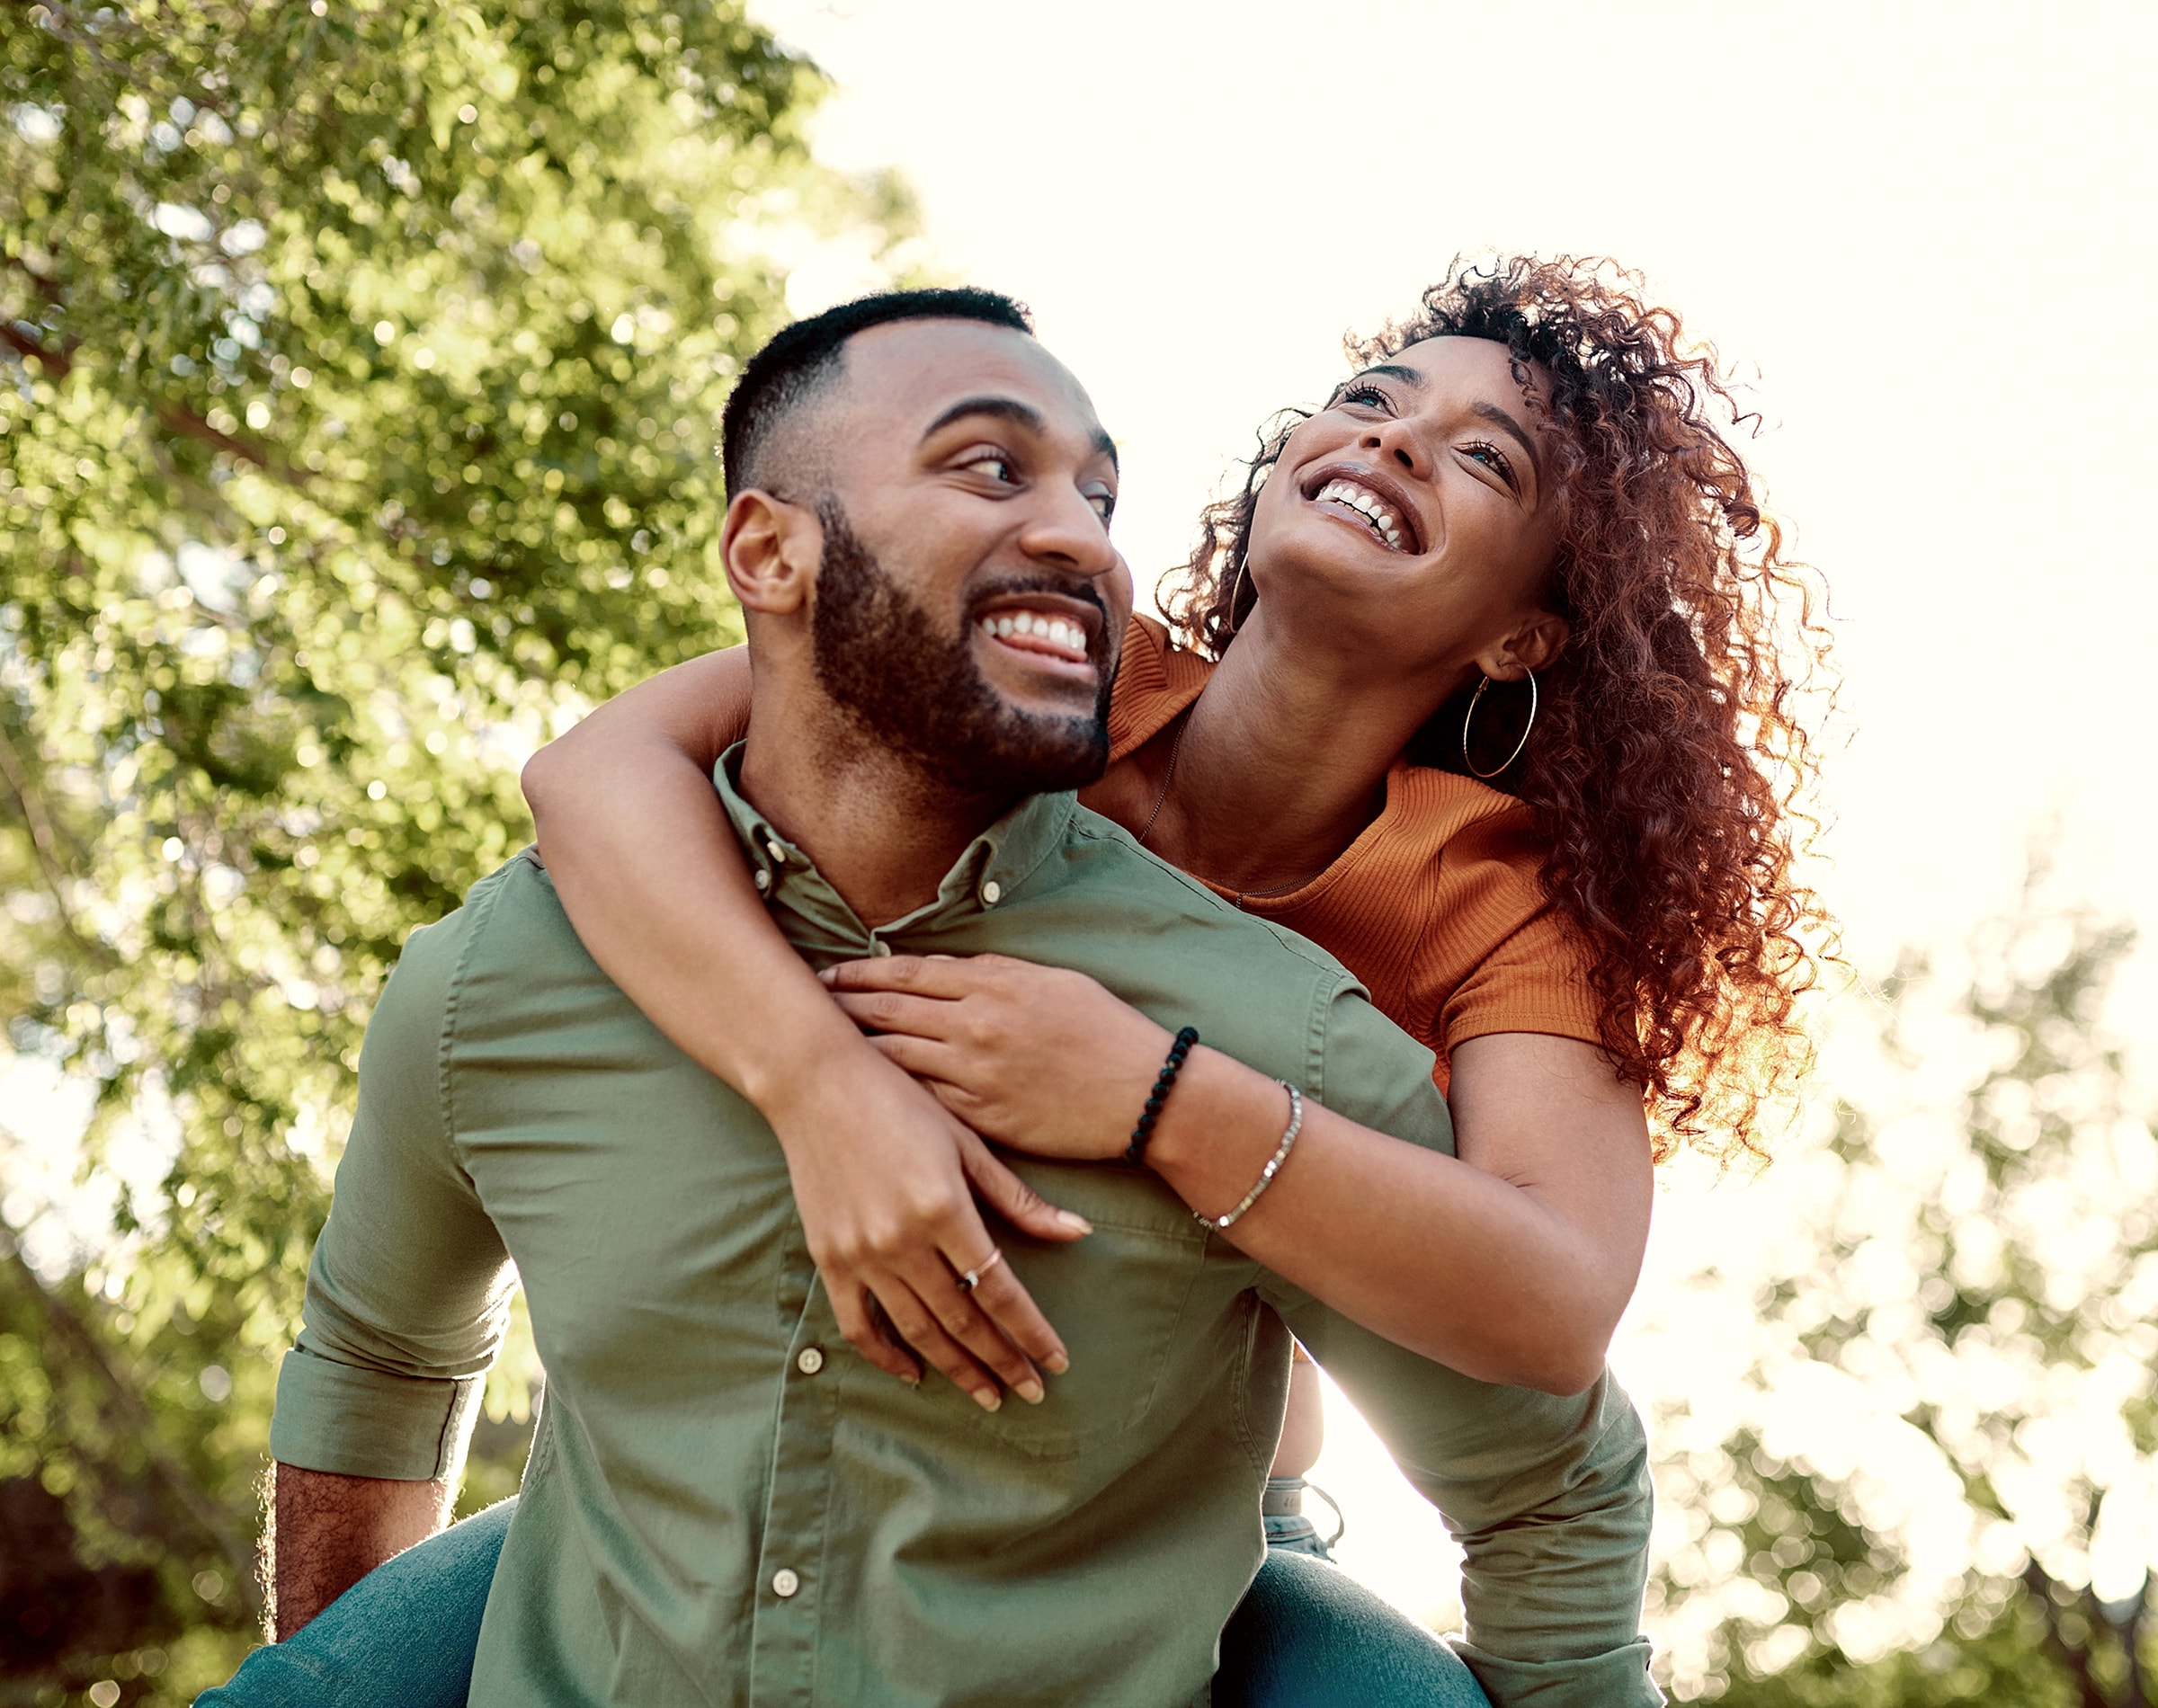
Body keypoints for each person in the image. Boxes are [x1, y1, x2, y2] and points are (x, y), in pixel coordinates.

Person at [222, 289, 1663, 1708]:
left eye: (1485, 457)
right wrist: (822, 1086)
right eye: (1372, 398)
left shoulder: (1488, 901)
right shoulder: (1044, 672)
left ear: (1523, 636)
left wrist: (1155, 1093)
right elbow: (596, 774)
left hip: (1167, 1515)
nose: (1400, 442)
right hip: (679, 1514)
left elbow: (1550, 1319)